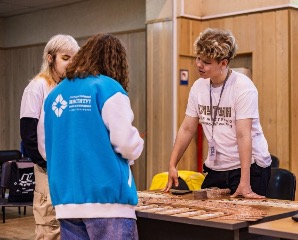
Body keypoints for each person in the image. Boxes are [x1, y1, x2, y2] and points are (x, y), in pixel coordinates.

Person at [38, 33, 144, 240]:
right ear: (117, 62)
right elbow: (126, 143)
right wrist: (138, 143)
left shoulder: (54, 95)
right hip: (108, 202)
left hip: (66, 200)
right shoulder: (109, 88)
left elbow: (45, 147)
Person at [164, 28, 272, 199]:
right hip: (217, 166)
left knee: (244, 217)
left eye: (206, 62)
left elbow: (244, 135)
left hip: (249, 166)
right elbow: (186, 129)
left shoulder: (243, 87)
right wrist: (172, 164)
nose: (199, 64)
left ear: (223, 63)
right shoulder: (199, 87)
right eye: (198, 58)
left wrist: (245, 181)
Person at [20, 34, 79, 239]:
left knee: (68, 228)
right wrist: (45, 163)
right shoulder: (37, 87)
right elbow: (28, 133)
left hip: (69, 169)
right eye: (65, 58)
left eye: (74, 58)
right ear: (50, 58)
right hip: (47, 168)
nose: (70, 63)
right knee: (49, 226)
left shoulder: (70, 89)